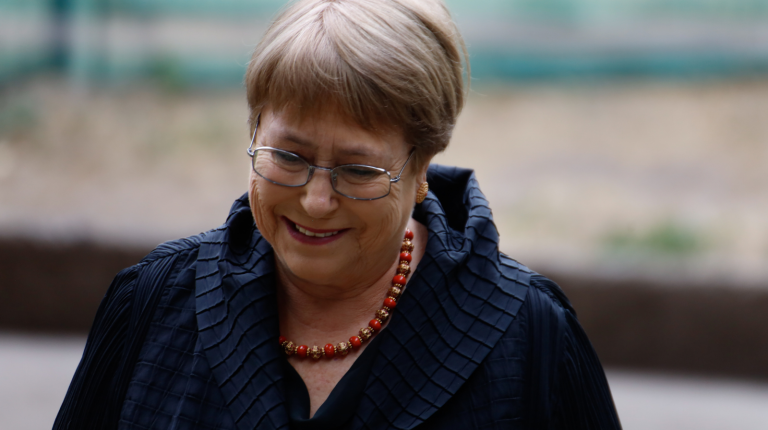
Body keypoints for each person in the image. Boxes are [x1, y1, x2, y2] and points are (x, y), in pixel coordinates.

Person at [55, 0, 621, 428]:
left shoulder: (533, 341)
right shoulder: (153, 303)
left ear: (422, 168)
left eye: (357, 170)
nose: (316, 200)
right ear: (254, 133)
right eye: (288, 157)